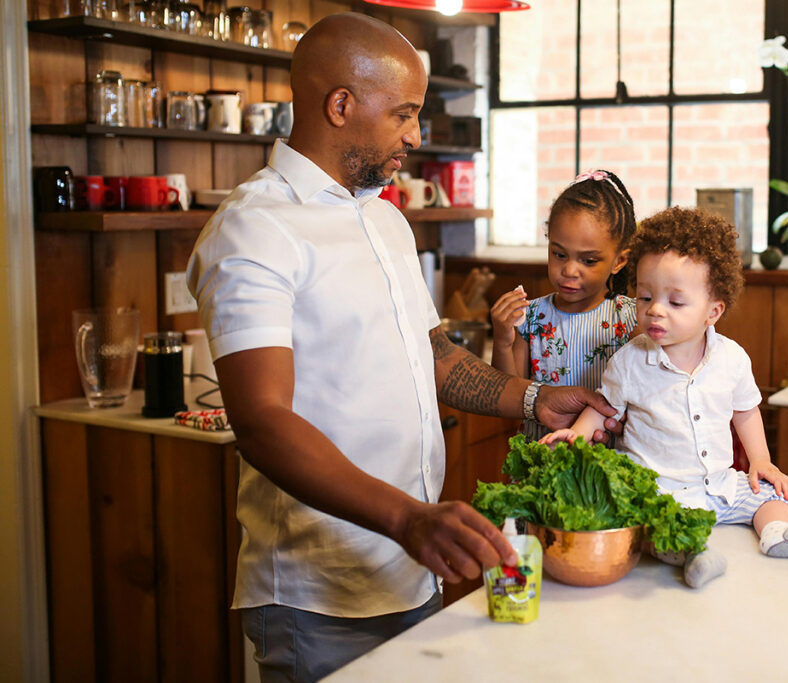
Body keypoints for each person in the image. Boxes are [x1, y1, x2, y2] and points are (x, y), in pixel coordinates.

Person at [186, 13, 618, 681]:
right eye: (404, 114)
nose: (415, 135)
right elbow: (261, 421)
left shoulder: (384, 217)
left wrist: (537, 398)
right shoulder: (255, 229)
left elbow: (438, 357)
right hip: (322, 594)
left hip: (413, 570)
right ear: (341, 105)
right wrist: (408, 517)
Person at [540, 206, 788, 589]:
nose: (655, 311)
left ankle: (777, 535)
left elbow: (745, 410)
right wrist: (577, 434)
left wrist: (762, 461)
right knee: (647, 527)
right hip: (659, 490)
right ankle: (691, 553)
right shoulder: (630, 362)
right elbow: (603, 409)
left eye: (675, 303)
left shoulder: (731, 358)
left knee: (774, 497)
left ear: (713, 311)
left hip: (718, 487)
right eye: (645, 298)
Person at [489, 170, 638, 441]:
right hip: (542, 458)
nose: (569, 270)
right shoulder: (530, 317)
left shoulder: (632, 319)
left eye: (589, 260)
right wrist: (502, 340)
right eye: (559, 254)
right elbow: (508, 399)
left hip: (610, 461)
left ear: (619, 261)